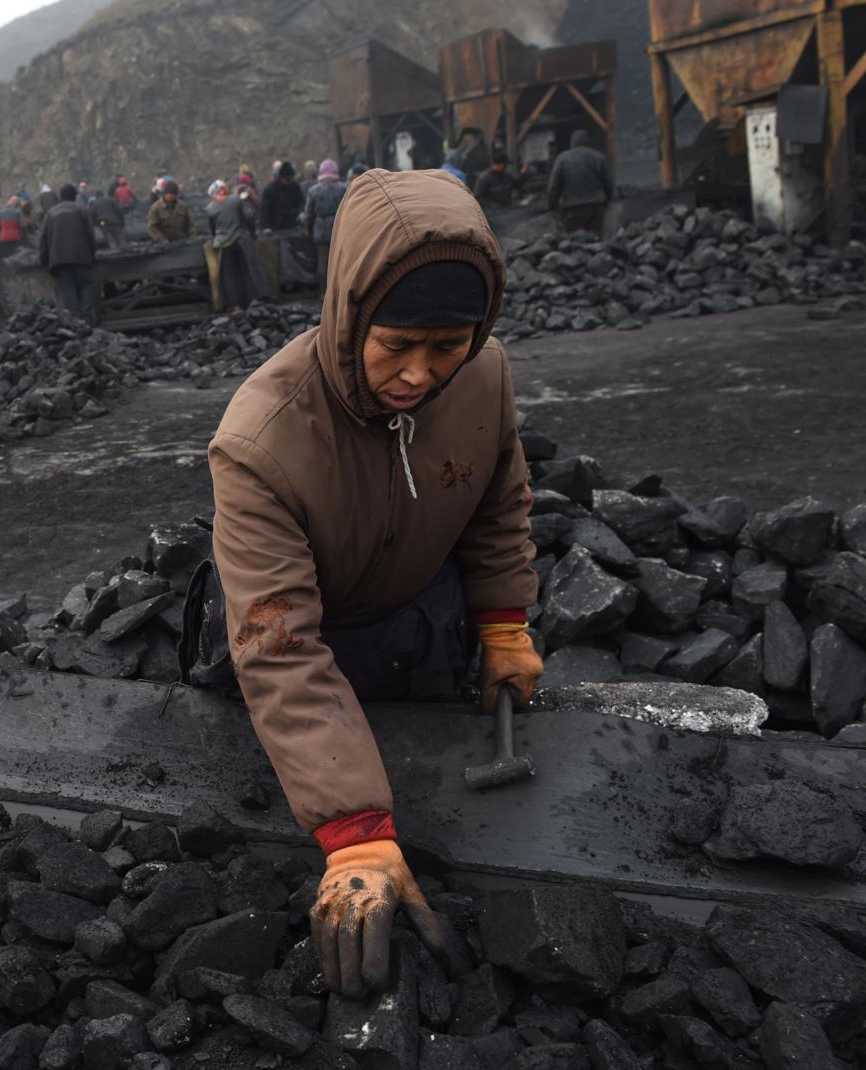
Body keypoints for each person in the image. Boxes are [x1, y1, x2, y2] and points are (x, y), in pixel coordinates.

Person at [199, 168, 539, 999]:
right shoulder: (261, 440)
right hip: (309, 635)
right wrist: (354, 831)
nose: (421, 374)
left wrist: (502, 623)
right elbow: (278, 648)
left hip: (419, 616)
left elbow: (499, 500)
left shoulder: (485, 375)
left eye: (446, 345)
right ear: (351, 313)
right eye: (397, 344)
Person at [40, 183, 98, 324]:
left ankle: (75, 321)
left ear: (61, 196)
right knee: (85, 285)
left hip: (59, 259)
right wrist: (92, 254)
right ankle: (87, 319)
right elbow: (91, 235)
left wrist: (44, 261)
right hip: (81, 256)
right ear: (74, 196)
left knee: (68, 288)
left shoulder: (51, 213)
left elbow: (44, 240)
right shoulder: (81, 209)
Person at [206, 178, 263, 310]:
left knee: (229, 276)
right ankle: (252, 301)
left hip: (224, 245)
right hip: (241, 241)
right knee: (246, 271)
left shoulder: (210, 208)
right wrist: (253, 234)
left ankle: (235, 305)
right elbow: (248, 217)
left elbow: (212, 229)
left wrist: (217, 239)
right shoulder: (236, 200)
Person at [548, 130, 612, 235]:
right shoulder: (599, 157)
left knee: (574, 242)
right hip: (596, 207)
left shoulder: (562, 158)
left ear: (572, 142)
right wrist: (608, 200)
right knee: (596, 242)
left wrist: (552, 206)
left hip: (573, 208)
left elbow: (554, 187)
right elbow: (608, 183)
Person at [302, 159, 346, 296]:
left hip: (320, 229)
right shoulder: (343, 188)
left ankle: (323, 293)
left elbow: (308, 213)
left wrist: (307, 228)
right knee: (341, 261)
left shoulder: (313, 191)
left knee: (322, 263)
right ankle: (341, 292)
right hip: (339, 227)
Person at [259, 160, 305, 231]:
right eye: (287, 180)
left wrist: (302, 211)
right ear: (281, 177)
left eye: (291, 179)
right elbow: (264, 209)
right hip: (276, 225)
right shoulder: (270, 189)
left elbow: (301, 200)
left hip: (293, 224)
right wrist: (266, 226)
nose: (289, 181)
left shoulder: (295, 186)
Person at [90, 185, 127, 250]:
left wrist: (97, 225)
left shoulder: (95, 204)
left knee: (111, 241)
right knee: (121, 239)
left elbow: (92, 217)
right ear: (103, 194)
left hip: (103, 224)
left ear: (96, 196)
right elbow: (119, 211)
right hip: (115, 222)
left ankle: (115, 254)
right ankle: (126, 253)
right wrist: (122, 222)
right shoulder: (111, 200)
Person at [0, 196, 29, 261]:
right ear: (17, 205)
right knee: (17, 252)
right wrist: (25, 236)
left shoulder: (1, 213)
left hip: (3, 237)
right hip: (15, 237)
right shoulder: (18, 213)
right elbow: (23, 225)